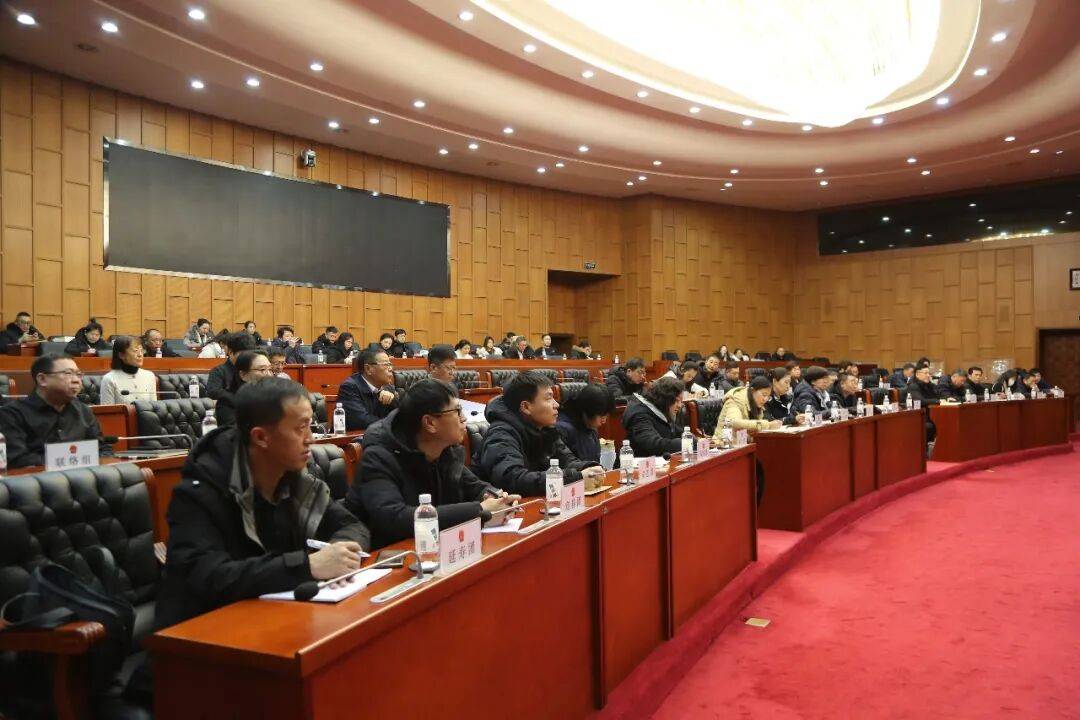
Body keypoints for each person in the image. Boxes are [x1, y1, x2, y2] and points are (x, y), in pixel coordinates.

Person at [154, 378, 371, 631]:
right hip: (203, 634)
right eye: (300, 428)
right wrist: (307, 566)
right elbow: (207, 576)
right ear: (261, 437)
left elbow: (352, 525)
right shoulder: (200, 491)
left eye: (310, 426)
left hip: (276, 618)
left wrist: (339, 554)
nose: (311, 439)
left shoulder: (297, 479)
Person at [345, 379, 520, 549]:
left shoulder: (445, 450)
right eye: (457, 411)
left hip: (433, 546)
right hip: (388, 555)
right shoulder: (379, 456)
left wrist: (497, 498)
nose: (464, 418)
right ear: (429, 423)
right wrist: (479, 509)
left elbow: (474, 486)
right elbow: (394, 518)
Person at [477, 372, 603, 495]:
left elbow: (567, 461)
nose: (556, 404)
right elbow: (513, 479)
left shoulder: (545, 428)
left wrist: (591, 468)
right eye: (548, 398)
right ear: (526, 407)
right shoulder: (501, 434)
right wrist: (575, 477)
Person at [0, 354, 109, 468]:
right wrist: (68, 460)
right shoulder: (12, 414)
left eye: (78, 374)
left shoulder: (84, 411)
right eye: (68, 373)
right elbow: (17, 460)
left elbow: (103, 449)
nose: (77, 380)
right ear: (42, 379)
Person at [337, 348, 400, 430]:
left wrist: (393, 400)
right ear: (368, 369)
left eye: (390, 364)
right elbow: (361, 420)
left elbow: (403, 414)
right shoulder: (349, 387)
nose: (390, 368)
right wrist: (393, 424)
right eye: (386, 364)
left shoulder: (388, 387)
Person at [622, 376, 685, 457]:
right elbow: (652, 444)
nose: (680, 405)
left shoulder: (662, 410)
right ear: (665, 399)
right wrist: (684, 443)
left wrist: (688, 436)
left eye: (681, 401)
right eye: (676, 400)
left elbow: (675, 431)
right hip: (638, 463)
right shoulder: (639, 416)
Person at [555, 383, 615, 463]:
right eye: (601, 416)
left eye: (606, 416)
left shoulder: (589, 425)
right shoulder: (562, 429)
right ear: (588, 411)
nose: (604, 421)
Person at [213, 350, 273, 427]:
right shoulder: (227, 401)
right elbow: (232, 431)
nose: (269, 375)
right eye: (262, 370)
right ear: (243, 374)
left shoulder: (274, 397)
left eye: (270, 369)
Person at [716, 374, 783, 436]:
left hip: (742, 440)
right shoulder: (736, 399)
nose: (765, 399)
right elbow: (734, 422)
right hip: (723, 442)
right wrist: (767, 425)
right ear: (752, 390)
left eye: (768, 396)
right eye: (764, 395)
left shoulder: (756, 403)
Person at [99, 336, 157, 405]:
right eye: (135, 351)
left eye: (141, 350)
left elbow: (154, 407)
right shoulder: (109, 379)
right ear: (121, 355)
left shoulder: (149, 376)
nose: (140, 355)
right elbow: (107, 410)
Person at [206, 331, 257, 400]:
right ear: (230, 352)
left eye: (250, 354)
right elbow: (213, 392)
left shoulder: (255, 369)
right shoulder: (218, 371)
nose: (247, 357)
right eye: (243, 354)